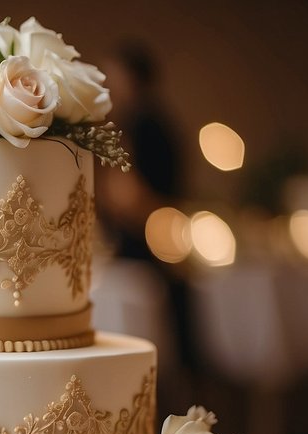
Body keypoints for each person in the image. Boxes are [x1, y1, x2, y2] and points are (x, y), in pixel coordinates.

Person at [98, 41, 200, 384]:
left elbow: (131, 198)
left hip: (147, 249)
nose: (108, 84)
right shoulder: (162, 123)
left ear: (132, 78)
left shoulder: (142, 125)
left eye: (113, 76)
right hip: (163, 247)